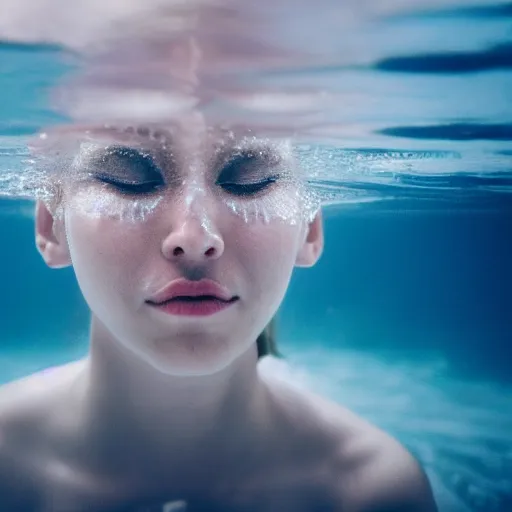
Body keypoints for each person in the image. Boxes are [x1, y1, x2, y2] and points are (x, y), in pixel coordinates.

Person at [0, 116, 437, 512]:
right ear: (50, 226)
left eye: (250, 180)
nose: (194, 236)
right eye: (128, 179)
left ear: (311, 228)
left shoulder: (375, 492)